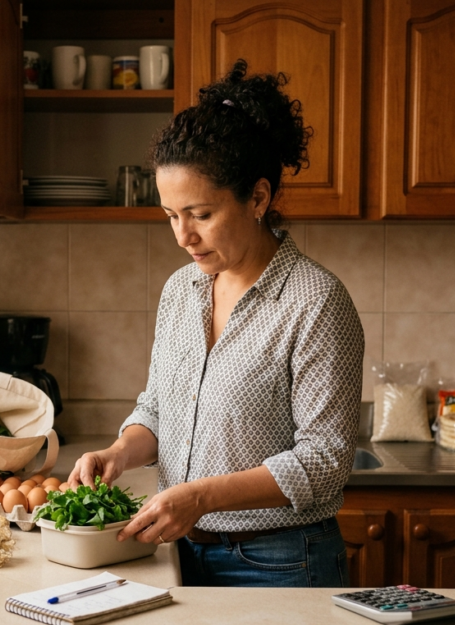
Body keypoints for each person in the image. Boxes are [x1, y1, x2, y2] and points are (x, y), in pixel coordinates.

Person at [67, 60, 364, 588]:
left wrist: (201, 496)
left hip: (280, 562)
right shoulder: (181, 290)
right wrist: (119, 452)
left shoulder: (315, 301)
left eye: (200, 214)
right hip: (179, 552)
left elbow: (326, 461)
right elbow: (158, 408)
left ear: (258, 198)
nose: (183, 236)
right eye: (170, 215)